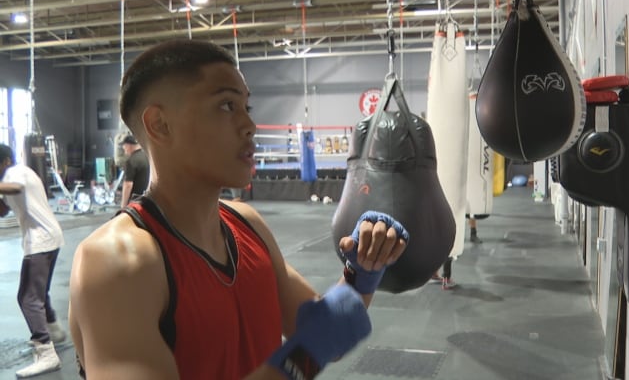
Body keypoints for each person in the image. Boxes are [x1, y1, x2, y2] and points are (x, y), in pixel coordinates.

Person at [68, 39, 408, 380]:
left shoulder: (246, 224)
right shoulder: (117, 263)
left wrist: (362, 270)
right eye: (227, 106)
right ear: (160, 125)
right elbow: (311, 346)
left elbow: (326, 327)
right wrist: (302, 356)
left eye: (248, 107)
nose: (250, 125)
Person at [0, 144, 66, 378]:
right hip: (49, 237)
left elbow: (15, 189)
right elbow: (4, 210)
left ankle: (45, 351)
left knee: (28, 298)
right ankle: (54, 331)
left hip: (40, 241)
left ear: (6, 161)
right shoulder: (18, 174)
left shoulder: (15, 173)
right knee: (39, 293)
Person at [119, 134, 150, 208]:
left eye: (124, 145)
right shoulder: (147, 157)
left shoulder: (131, 161)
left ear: (129, 145)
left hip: (135, 202)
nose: (123, 148)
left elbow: (128, 185)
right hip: (147, 199)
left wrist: (123, 205)